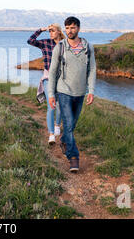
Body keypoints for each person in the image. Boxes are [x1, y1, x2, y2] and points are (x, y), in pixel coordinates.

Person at [47, 16, 96, 173]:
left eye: (73, 27)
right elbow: (53, 72)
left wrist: (91, 90)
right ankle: (73, 158)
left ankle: (64, 141)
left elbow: (92, 69)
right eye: (67, 28)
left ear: (79, 29)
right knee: (68, 123)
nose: (69, 31)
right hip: (64, 91)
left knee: (71, 125)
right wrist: (51, 94)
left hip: (80, 92)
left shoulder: (87, 47)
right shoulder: (59, 47)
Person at [27, 23, 65, 145]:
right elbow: (30, 41)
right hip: (49, 78)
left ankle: (57, 124)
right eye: (49, 31)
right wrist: (41, 30)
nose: (51, 33)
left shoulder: (65, 44)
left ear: (59, 31)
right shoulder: (45, 43)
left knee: (59, 105)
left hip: (62, 79)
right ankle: (51, 134)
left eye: (53, 31)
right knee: (51, 106)